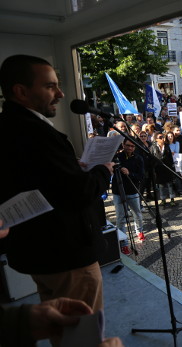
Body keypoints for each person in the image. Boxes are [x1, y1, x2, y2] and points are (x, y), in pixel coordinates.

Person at [0, 55, 113, 312]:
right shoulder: (37, 133)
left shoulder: (7, 126)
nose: (61, 93)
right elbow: (79, 193)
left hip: (36, 252)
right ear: (21, 91)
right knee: (81, 331)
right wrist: (103, 171)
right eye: (50, 86)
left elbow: (37, 177)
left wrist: (71, 168)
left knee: (56, 324)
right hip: (67, 255)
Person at [111, 138, 145, 252]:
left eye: (132, 146)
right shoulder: (117, 158)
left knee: (137, 214)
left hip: (132, 191)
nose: (130, 148)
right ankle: (123, 242)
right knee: (121, 218)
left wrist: (130, 173)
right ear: (123, 145)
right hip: (118, 192)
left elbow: (141, 176)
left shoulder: (138, 158)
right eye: (128, 145)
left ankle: (139, 231)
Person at [150, 132, 176, 207]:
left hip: (167, 167)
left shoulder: (167, 146)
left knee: (170, 184)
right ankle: (163, 199)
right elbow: (152, 158)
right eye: (160, 137)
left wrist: (171, 166)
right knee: (161, 185)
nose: (163, 139)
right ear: (156, 139)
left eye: (163, 137)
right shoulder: (153, 147)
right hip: (158, 169)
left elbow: (170, 158)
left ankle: (172, 199)